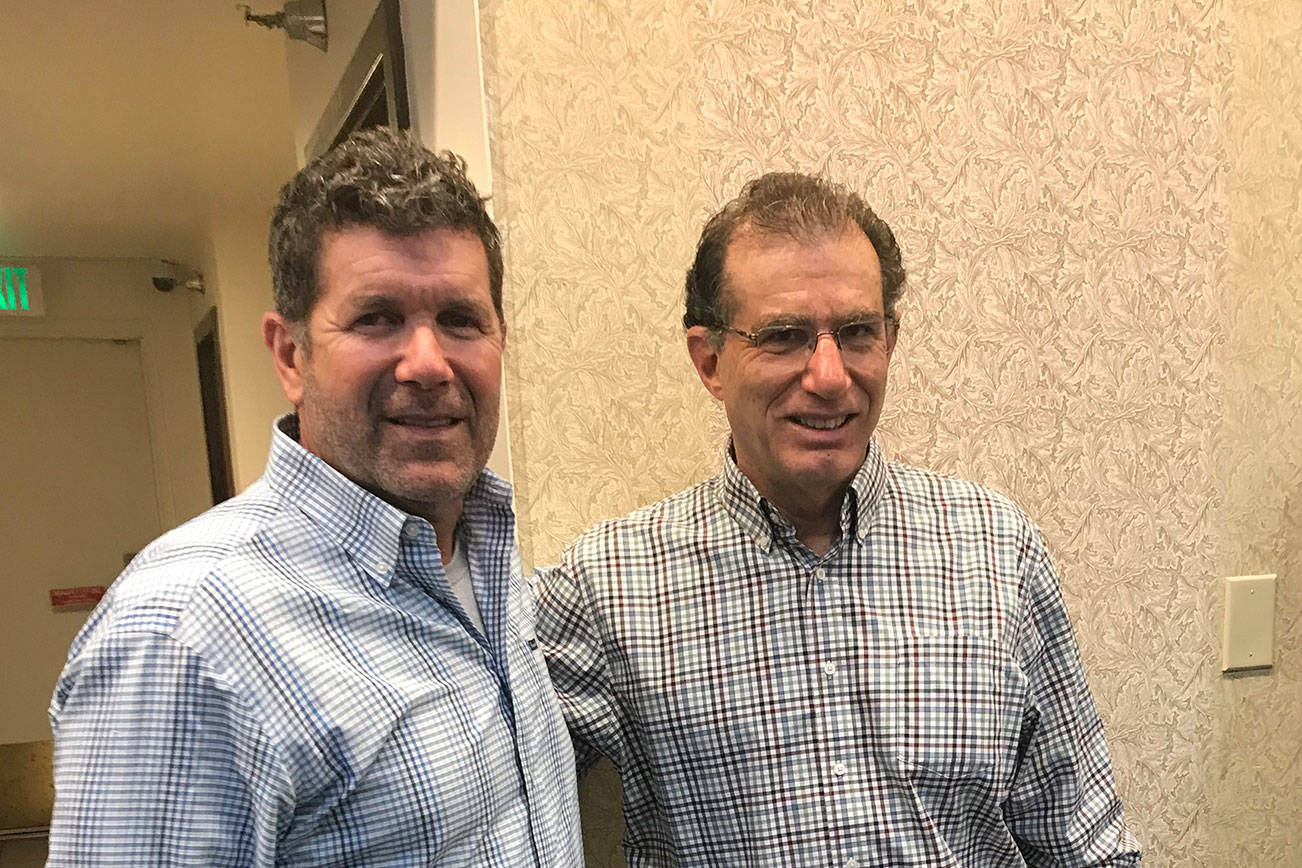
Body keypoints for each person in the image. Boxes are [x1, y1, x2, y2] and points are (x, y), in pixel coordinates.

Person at [536, 172, 1141, 866]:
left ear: (890, 340)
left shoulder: (996, 551)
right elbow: (478, 789)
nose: (828, 375)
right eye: (785, 336)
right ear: (709, 361)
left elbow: (1086, 844)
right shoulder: (609, 585)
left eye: (856, 332)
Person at [47, 128, 582, 866]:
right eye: (376, 318)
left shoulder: (482, 561)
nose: (428, 363)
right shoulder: (184, 637)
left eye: (460, 320)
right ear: (290, 355)